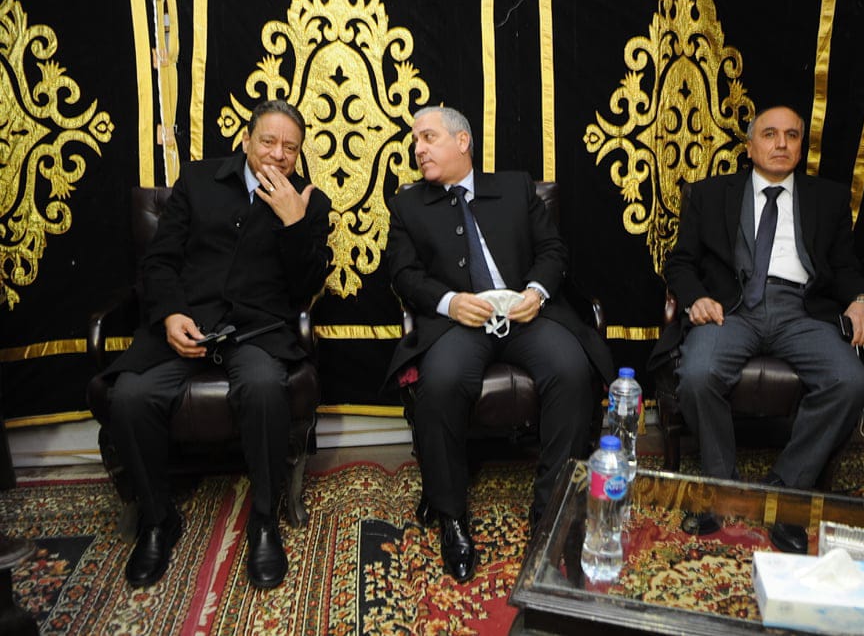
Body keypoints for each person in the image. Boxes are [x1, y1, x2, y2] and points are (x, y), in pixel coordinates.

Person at [102, 100, 331, 588]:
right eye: (268, 141)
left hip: (256, 330)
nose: (279, 154)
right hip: (188, 323)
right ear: (246, 141)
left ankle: (264, 521)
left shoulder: (310, 201)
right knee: (129, 397)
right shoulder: (198, 181)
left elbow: (305, 288)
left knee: (265, 389)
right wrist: (170, 314)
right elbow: (159, 261)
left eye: (291, 148)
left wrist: (294, 223)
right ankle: (158, 519)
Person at [385, 105, 614, 582]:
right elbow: (403, 274)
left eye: (427, 138)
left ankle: (551, 511)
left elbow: (553, 250)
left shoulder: (515, 187)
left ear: (462, 141)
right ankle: (452, 518)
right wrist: (449, 302)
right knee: (440, 383)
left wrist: (536, 292)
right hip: (458, 326)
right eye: (415, 141)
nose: (418, 149)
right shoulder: (409, 205)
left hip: (526, 316)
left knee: (571, 371)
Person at [648, 105, 864, 554]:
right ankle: (723, 488)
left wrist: (862, 300)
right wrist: (696, 299)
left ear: (801, 146)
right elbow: (680, 263)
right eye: (770, 134)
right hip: (732, 309)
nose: (781, 144)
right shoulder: (710, 194)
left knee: (850, 382)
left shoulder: (829, 199)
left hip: (802, 311)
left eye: (791, 136)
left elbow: (846, 269)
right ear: (750, 146)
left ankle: (786, 492)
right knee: (697, 375)